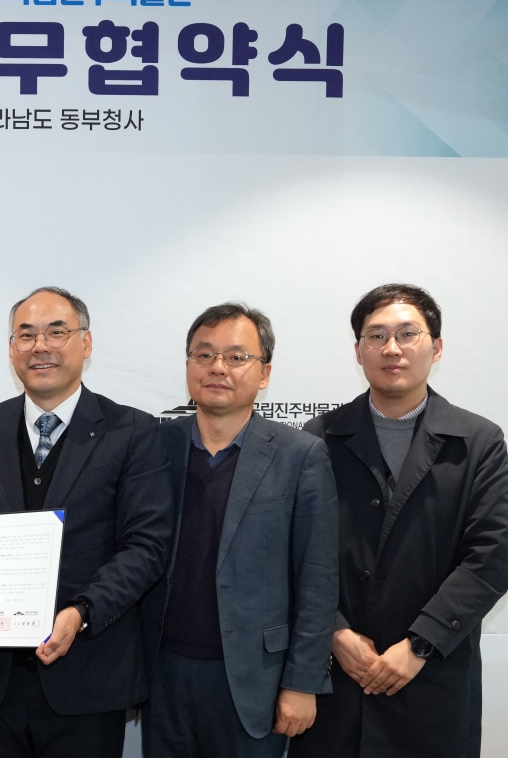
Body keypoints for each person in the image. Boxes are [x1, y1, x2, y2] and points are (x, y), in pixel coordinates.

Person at [0, 286, 174, 758]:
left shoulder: (132, 431)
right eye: (26, 335)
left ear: (85, 343)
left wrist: (81, 612)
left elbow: (146, 545)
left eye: (57, 332)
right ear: (11, 348)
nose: (41, 346)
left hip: (89, 675)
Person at [290, 284, 507, 758]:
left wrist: (420, 644)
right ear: (358, 351)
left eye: (408, 334)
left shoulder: (478, 441)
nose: (392, 348)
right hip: (336, 675)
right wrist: (334, 632)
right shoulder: (318, 439)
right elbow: (294, 551)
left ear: (437, 347)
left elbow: (490, 558)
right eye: (377, 336)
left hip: (432, 678)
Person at [140, 303, 339, 757]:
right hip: (162, 673)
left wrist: (303, 683)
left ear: (264, 373)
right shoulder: (155, 445)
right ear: (188, 366)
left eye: (236, 357)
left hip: (256, 680)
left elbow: (318, 579)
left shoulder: (300, 455)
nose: (218, 368)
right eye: (204, 355)